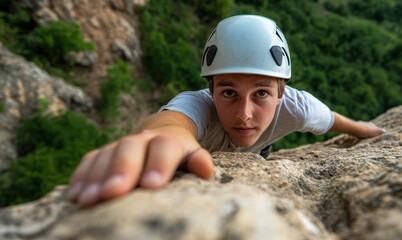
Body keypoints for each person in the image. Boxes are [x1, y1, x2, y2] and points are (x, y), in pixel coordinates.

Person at [68, 15, 386, 208]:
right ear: (210, 90)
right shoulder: (199, 106)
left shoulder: (297, 108)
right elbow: (171, 123)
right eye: (229, 92)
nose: (244, 114)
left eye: (261, 93)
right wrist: (161, 138)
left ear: (281, 93)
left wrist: (364, 130)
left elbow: (333, 120)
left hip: (259, 154)